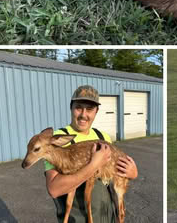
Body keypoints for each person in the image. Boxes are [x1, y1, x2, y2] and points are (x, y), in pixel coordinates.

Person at [45, 85, 138, 223]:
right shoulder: (58, 139)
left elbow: (114, 175)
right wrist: (94, 164)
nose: (83, 114)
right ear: (71, 107)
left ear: (96, 111)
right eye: (78, 107)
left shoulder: (103, 137)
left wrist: (132, 173)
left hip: (106, 216)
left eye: (89, 109)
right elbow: (54, 189)